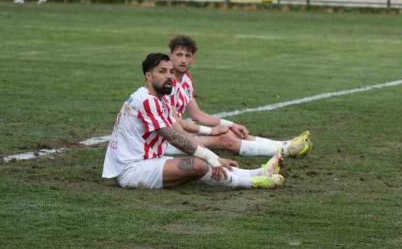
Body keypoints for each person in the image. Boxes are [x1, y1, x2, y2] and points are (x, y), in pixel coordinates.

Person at [102, 53, 285, 190]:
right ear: (149, 76)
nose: (169, 76)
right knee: (198, 164)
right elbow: (174, 138)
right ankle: (252, 182)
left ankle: (257, 173)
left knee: (202, 161)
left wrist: (215, 157)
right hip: (132, 170)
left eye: (171, 72)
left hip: (149, 161)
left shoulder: (159, 98)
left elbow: (180, 130)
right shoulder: (146, 100)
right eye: (162, 71)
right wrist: (211, 157)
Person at [165, 35, 313, 159]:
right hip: (166, 141)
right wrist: (211, 131)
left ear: (193, 59)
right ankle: (285, 151)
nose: (183, 60)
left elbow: (197, 114)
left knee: (232, 132)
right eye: (179, 55)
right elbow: (176, 122)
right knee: (224, 138)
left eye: (187, 56)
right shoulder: (166, 82)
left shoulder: (186, 79)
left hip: (180, 132)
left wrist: (231, 125)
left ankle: (285, 144)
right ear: (170, 56)